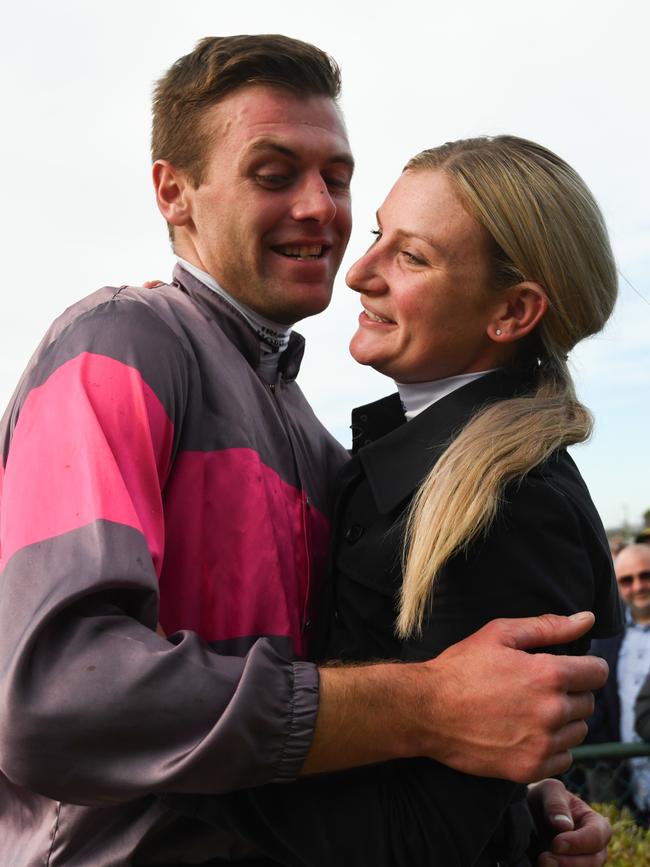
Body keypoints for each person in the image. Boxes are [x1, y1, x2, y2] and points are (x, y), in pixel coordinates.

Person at [0, 36, 610, 866]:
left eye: (336, 177)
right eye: (273, 172)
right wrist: (424, 707)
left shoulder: (324, 446)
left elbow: (441, 711)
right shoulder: (120, 344)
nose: (323, 210)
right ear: (173, 192)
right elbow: (53, 700)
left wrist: (510, 795)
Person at [171, 136, 622, 865]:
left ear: (512, 311)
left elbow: (413, 839)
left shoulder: (507, 506)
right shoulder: (418, 455)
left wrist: (160, 754)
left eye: (412, 257)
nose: (358, 272)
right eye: (380, 234)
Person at [589, 544, 650, 812]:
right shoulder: (604, 640)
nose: (638, 586)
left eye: (646, 575)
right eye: (627, 580)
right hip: (630, 784)